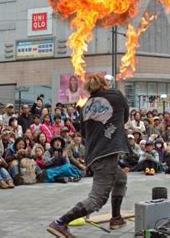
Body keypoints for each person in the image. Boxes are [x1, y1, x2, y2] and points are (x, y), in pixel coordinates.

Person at [47, 74, 130, 237]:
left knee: (120, 179)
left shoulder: (85, 105)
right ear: (105, 84)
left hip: (94, 153)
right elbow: (125, 118)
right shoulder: (117, 96)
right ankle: (60, 223)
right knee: (97, 199)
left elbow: (84, 133)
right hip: (106, 153)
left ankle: (116, 218)